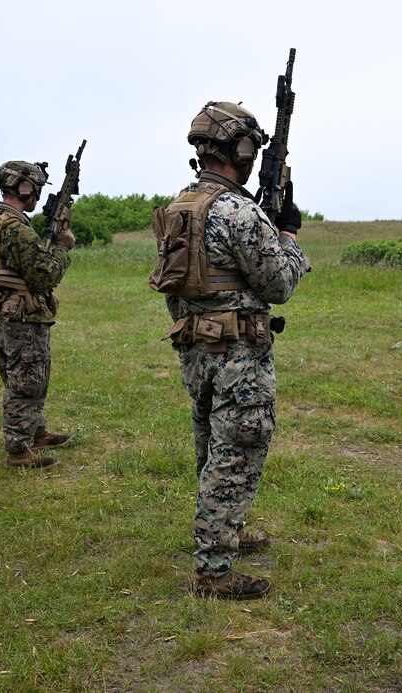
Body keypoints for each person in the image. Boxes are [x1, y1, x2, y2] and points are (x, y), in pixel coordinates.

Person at [156, 102, 310, 600]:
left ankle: (226, 534)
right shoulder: (238, 211)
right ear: (239, 150)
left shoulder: (181, 205)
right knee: (237, 451)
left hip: (196, 345)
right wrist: (286, 234)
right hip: (238, 353)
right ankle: (213, 570)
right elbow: (280, 282)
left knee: (213, 449)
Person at [0, 161, 74, 468]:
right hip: (22, 317)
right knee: (25, 381)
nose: (38, 195)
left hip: (7, 312)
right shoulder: (16, 230)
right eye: (36, 188)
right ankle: (18, 449)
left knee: (28, 376)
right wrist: (64, 248)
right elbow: (46, 275)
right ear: (25, 189)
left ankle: (36, 431)